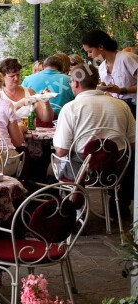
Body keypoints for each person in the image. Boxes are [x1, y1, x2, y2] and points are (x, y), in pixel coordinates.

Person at [53, 63, 135, 205]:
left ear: (76, 82)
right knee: (125, 156)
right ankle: (119, 208)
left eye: (70, 81)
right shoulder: (121, 105)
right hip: (115, 173)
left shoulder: (71, 108)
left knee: (52, 167)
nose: (71, 84)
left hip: (83, 175)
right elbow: (133, 143)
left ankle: (71, 211)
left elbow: (61, 151)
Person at [81, 29, 138, 116]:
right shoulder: (101, 67)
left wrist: (121, 90)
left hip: (134, 107)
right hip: (117, 108)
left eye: (90, 51)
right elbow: (108, 92)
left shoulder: (126, 58)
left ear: (100, 46)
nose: (89, 55)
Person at [0, 58, 53, 123]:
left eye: (18, 74)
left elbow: (46, 119)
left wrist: (46, 102)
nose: (16, 78)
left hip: (29, 131)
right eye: (12, 76)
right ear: (2, 76)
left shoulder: (30, 92)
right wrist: (19, 104)